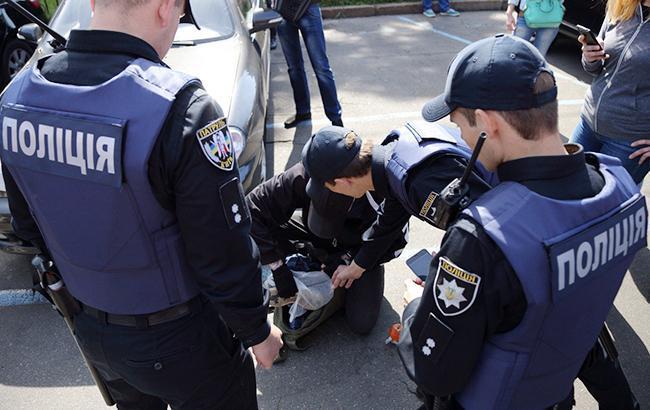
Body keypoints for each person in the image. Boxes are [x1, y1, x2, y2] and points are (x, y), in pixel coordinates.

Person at [0, 0, 283, 407]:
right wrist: (257, 331)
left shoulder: (17, 98)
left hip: (93, 332)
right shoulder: (181, 110)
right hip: (184, 341)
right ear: (166, 7)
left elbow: (29, 229)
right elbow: (221, 252)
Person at [398, 34, 646, 409]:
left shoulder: (482, 239)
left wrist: (417, 305)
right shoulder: (622, 189)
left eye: (460, 126)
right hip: (557, 389)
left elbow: (434, 370)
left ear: (486, 124)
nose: (462, 140)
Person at [300, 121, 495, 292]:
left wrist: (450, 264)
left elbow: (488, 233)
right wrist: (356, 267)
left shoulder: (417, 182)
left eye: (328, 188)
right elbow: (391, 216)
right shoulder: (392, 155)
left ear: (343, 182)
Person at [246, 151, 407, 337]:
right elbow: (251, 208)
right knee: (266, 224)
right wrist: (278, 267)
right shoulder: (307, 173)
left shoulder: (382, 194)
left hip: (359, 247)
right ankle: (306, 259)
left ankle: (338, 275)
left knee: (361, 324)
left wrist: (354, 262)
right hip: (311, 231)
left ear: (349, 186)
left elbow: (396, 243)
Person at [572, 0, 650, 185]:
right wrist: (590, 57)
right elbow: (597, 68)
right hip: (587, 125)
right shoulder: (621, 5)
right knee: (567, 190)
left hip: (628, 142)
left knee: (605, 208)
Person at [276, 1, 343, 129]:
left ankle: (336, 118)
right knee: (294, 68)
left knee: (321, 67)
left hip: (307, 8)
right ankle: (303, 112)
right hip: (282, 11)